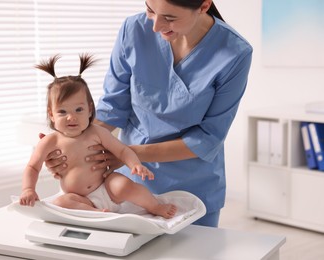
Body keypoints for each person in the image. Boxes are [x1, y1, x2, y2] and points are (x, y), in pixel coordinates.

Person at [43, 0, 253, 227]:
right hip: (127, 188)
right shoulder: (133, 29)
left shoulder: (234, 53)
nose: (155, 26)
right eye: (150, 10)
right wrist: (71, 145)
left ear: (203, 6)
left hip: (193, 186)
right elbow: (113, 107)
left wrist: (127, 153)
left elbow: (208, 138)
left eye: (170, 18)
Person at [20, 53, 177, 219]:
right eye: (62, 112)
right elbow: (32, 167)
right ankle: (97, 213)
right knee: (61, 203)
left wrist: (135, 164)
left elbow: (122, 151)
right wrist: (28, 189)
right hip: (79, 198)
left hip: (106, 188)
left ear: (89, 109)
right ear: (51, 115)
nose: (71, 117)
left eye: (78, 110)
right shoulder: (50, 141)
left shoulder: (96, 132)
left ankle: (155, 206)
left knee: (124, 185)